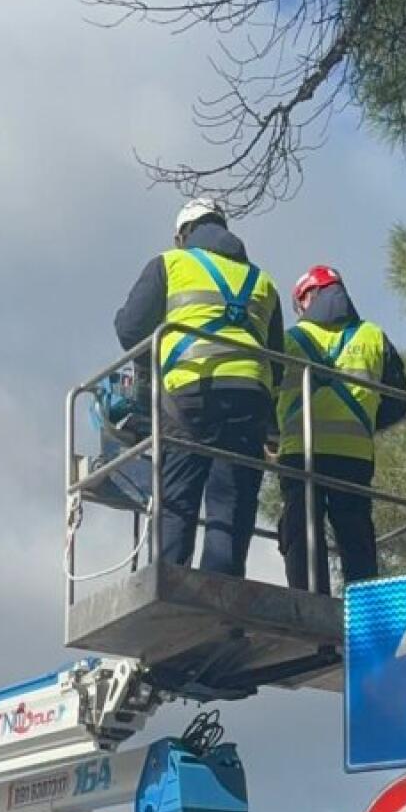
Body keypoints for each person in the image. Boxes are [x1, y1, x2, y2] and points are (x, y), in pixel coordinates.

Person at [115, 199, 283, 577]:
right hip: (249, 402)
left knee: (177, 502)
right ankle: (222, 607)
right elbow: (278, 361)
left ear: (183, 234)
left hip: (189, 398)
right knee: (231, 508)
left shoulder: (170, 263)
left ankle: (171, 599)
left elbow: (130, 331)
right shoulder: (263, 281)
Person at [276, 264, 406, 592]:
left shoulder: (290, 340)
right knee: (356, 535)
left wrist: (272, 432)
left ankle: (309, 604)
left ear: (308, 296)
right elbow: (398, 399)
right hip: (354, 456)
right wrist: (365, 422)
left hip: (300, 452)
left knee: (301, 531)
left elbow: (268, 390)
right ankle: (365, 608)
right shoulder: (373, 336)